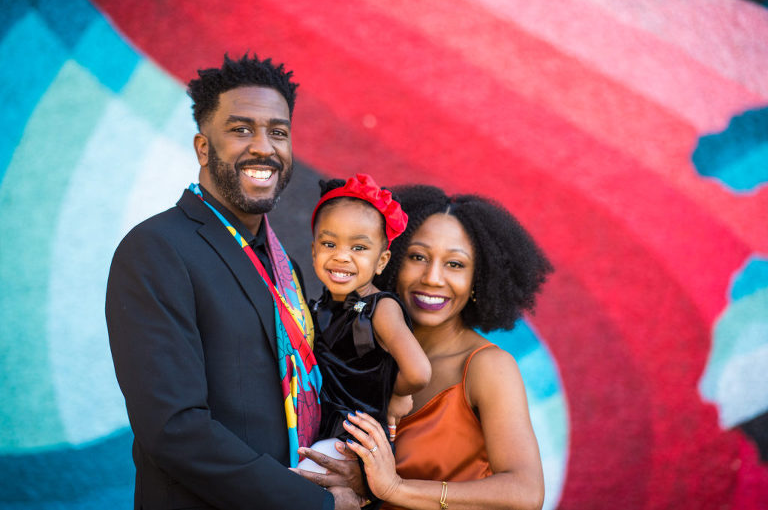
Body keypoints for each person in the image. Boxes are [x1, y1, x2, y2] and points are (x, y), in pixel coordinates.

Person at [106, 54, 360, 510]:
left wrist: (349, 462)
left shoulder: (287, 268)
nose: (263, 147)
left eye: (277, 132)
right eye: (241, 129)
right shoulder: (155, 250)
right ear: (203, 148)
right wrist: (312, 504)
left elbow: (312, 387)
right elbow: (174, 430)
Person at [299, 185, 553, 510]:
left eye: (455, 264)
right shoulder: (357, 347)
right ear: (387, 260)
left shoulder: (486, 366)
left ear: (480, 279)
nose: (433, 278)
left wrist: (395, 488)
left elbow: (525, 493)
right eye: (417, 257)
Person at [298, 174, 431, 474]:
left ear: (381, 261)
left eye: (358, 248)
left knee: (300, 480)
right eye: (329, 243)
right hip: (321, 423)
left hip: (354, 438)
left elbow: (419, 372)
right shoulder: (318, 305)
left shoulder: (380, 310)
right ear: (314, 251)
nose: (341, 256)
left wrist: (393, 393)